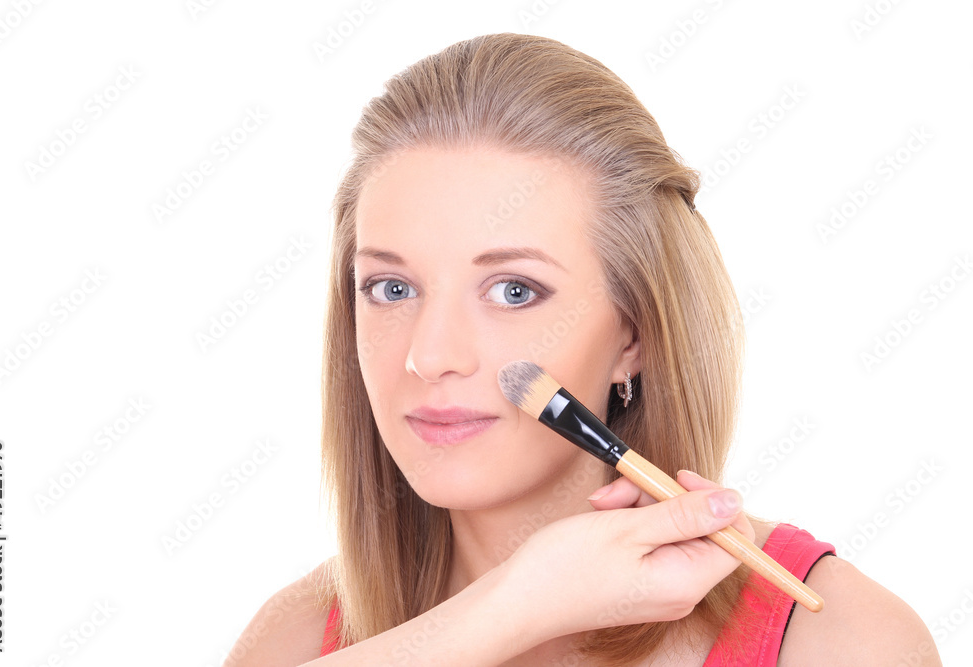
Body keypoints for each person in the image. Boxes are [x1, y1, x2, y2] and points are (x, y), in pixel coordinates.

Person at [225, 33, 940, 666]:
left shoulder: (837, 642)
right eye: (390, 288)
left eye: (513, 291)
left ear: (635, 335)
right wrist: (515, 607)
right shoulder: (291, 640)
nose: (430, 354)